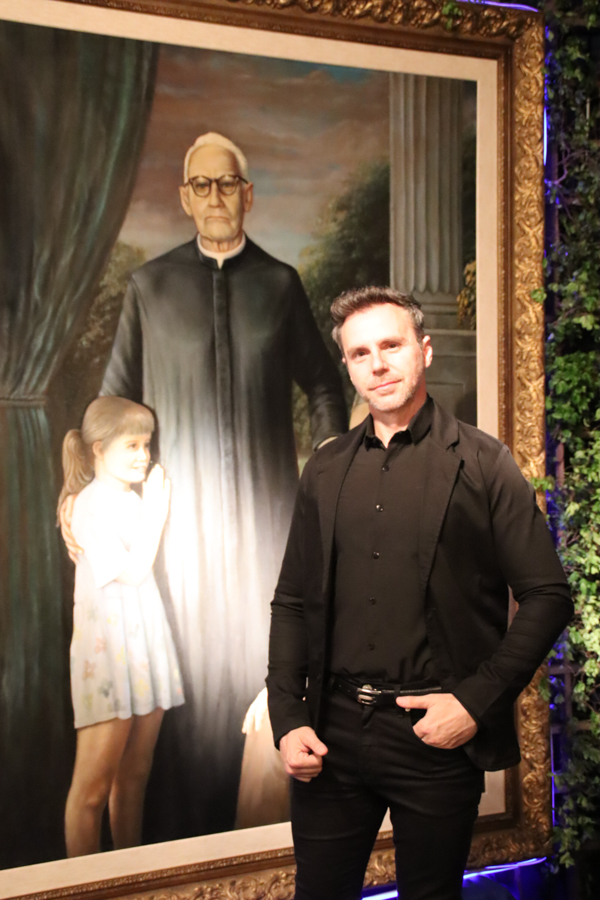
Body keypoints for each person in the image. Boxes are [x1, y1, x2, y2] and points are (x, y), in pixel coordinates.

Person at [62, 132, 347, 836]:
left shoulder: (279, 284)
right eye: (202, 185)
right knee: (181, 678)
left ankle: (260, 840)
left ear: (247, 195)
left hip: (267, 517)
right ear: (185, 198)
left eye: (227, 185)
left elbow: (322, 383)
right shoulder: (149, 286)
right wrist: (78, 495)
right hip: (171, 527)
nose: (215, 198)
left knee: (262, 659)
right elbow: (111, 403)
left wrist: (326, 466)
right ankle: (180, 847)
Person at [267, 286, 573, 900]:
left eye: (391, 345)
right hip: (331, 735)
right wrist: (287, 718)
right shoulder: (324, 469)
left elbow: (548, 596)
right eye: (360, 353)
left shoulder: (483, 462)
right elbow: (293, 601)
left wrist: (473, 703)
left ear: (424, 351)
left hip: (433, 736)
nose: (377, 364)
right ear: (347, 366)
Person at [59, 396, 184, 857]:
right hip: (107, 654)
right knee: (91, 791)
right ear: (98, 449)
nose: (143, 455)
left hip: (143, 643)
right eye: (131, 445)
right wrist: (156, 515)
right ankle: (85, 884)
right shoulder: (88, 505)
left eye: (146, 445)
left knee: (134, 777)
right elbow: (131, 573)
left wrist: (150, 511)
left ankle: (130, 873)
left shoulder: (131, 499)